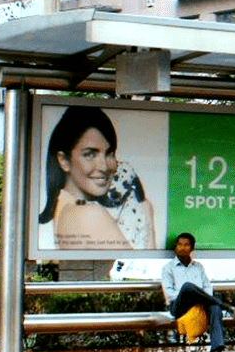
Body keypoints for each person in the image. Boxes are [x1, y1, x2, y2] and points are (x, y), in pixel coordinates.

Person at [40, 105, 156, 250]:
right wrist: (147, 217)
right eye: (90, 154)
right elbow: (139, 270)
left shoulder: (65, 206)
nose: (104, 166)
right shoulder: (89, 214)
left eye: (109, 153)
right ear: (63, 160)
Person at [161, 231, 235, 352]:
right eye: (179, 244)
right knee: (187, 288)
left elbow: (207, 287)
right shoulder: (168, 268)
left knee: (215, 308)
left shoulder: (198, 267)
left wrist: (200, 298)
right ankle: (226, 306)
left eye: (186, 245)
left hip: (201, 305)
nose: (182, 247)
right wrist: (193, 295)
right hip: (179, 306)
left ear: (191, 248)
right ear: (175, 247)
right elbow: (169, 294)